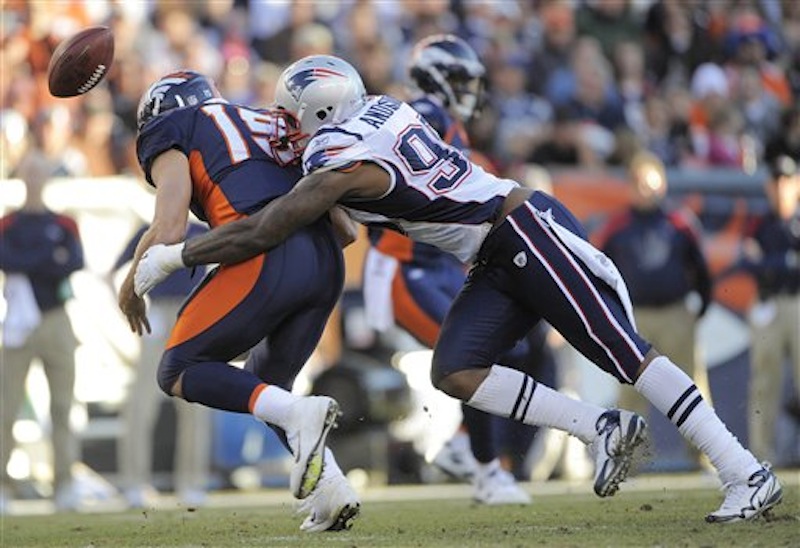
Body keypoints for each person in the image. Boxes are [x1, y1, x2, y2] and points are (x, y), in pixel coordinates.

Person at [135, 55, 783, 523]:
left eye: (292, 116)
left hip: (520, 231)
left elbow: (268, 228)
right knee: (457, 369)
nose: (285, 127)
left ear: (319, 112)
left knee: (625, 353)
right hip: (493, 251)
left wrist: (179, 255)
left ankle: (743, 470)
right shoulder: (386, 110)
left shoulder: (333, 161)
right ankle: (600, 428)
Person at [118, 70, 359, 532]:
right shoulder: (267, 120)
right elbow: (346, 229)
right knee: (268, 385)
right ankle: (332, 487)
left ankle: (302, 416)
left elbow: (169, 230)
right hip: (326, 260)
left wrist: (131, 284)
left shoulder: (173, 127)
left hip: (263, 251)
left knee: (178, 369)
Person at [362, 34, 534, 505]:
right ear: (432, 80)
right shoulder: (426, 115)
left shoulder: (453, 128)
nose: (469, 90)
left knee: (506, 349)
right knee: (473, 359)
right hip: (404, 268)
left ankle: (463, 443)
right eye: (459, 79)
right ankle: (484, 469)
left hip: (438, 267)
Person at [594, 151, 713, 468]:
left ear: (662, 183)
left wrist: (699, 308)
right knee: (630, 392)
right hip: (635, 319)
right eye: (638, 183)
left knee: (691, 386)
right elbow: (598, 272)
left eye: (650, 182)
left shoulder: (679, 222)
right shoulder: (616, 226)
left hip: (676, 313)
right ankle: (630, 462)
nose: (644, 189)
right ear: (629, 186)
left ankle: (705, 456)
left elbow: (701, 270)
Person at [0, 150, 84, 512]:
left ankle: (64, 481)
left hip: (55, 319)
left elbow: (75, 261)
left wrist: (33, 262)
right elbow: (8, 260)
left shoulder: (64, 223)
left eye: (39, 172)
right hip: (19, 320)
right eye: (29, 172)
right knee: (7, 408)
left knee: (63, 405)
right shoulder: (9, 224)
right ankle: (4, 484)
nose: (34, 179)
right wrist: (48, 259)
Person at [110, 222, 211, 509]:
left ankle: (192, 482)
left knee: (196, 403)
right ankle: (133, 482)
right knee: (141, 403)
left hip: (191, 313)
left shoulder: (200, 232)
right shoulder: (149, 231)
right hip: (158, 313)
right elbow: (113, 274)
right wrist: (126, 313)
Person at [743, 154, 800, 465]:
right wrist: (787, 263)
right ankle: (761, 455)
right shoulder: (759, 223)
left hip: (798, 301)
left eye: (787, 180)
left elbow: (761, 261)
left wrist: (771, 263)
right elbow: (749, 262)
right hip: (769, 302)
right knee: (764, 382)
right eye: (776, 180)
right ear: (768, 186)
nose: (781, 187)